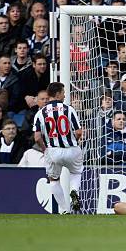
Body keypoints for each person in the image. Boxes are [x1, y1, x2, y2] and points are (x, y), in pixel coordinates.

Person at [33, 82, 84, 214]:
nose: (65, 94)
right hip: (72, 149)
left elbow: (37, 137)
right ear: (57, 94)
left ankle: (64, 210)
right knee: (76, 173)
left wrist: (45, 149)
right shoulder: (69, 109)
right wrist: (74, 141)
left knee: (54, 180)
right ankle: (74, 191)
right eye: (63, 92)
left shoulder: (40, 113)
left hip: (53, 150)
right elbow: (78, 132)